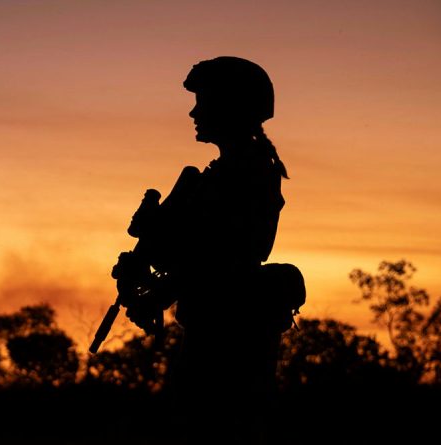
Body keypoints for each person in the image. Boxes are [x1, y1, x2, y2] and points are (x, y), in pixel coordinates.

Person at [127, 56, 289, 444]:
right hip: (217, 328)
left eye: (204, 101)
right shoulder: (225, 171)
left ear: (231, 106)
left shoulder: (245, 172)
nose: (194, 111)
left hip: (230, 338)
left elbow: (224, 258)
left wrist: (160, 293)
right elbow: (203, 251)